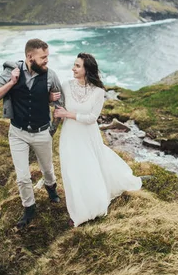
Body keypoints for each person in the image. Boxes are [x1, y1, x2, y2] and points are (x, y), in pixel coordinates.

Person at [54, 52, 142, 227]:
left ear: (87, 69)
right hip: (69, 134)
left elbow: (92, 117)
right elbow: (55, 104)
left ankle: (91, 207)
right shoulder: (65, 85)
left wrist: (67, 114)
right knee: (72, 170)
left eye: (77, 66)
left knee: (89, 168)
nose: (73, 68)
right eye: (74, 64)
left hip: (88, 135)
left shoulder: (98, 92)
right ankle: (78, 209)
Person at [0, 38, 63, 230]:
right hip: (17, 133)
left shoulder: (51, 76)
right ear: (30, 57)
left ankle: (51, 188)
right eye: (43, 57)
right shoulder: (10, 72)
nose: (47, 61)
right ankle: (29, 208)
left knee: (47, 169)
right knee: (22, 177)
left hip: (42, 132)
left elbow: (59, 105)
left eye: (48, 56)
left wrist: (52, 129)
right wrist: (11, 83)